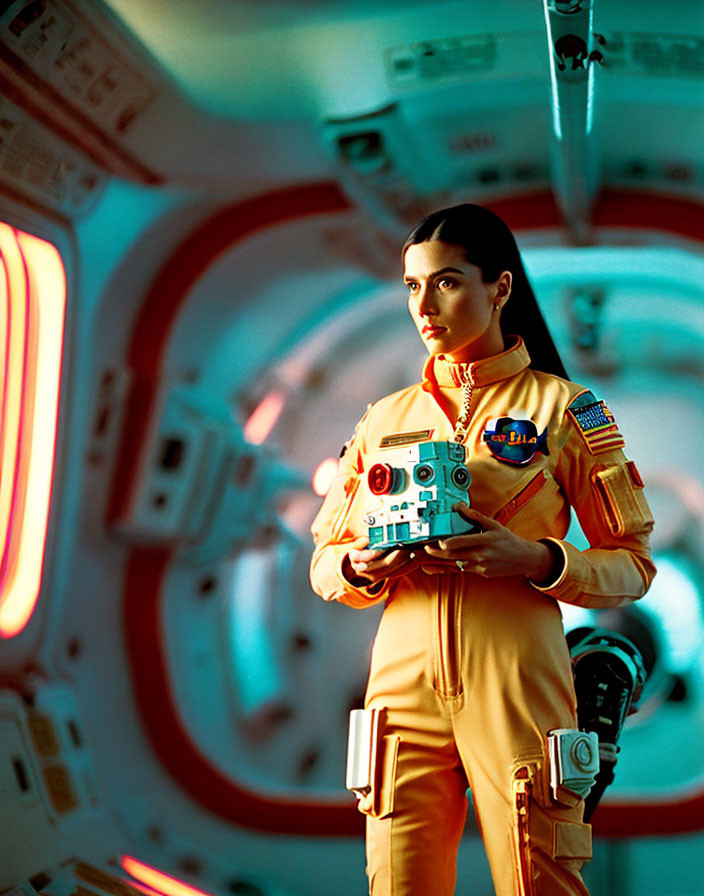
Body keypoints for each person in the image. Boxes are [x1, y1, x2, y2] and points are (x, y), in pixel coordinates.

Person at [309, 204, 655, 896]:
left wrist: (537, 561)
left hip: (517, 672)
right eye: (412, 287)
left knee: (540, 877)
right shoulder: (385, 420)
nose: (424, 305)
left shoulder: (564, 410)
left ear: (498, 288)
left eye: (446, 283)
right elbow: (325, 558)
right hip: (402, 684)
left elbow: (634, 565)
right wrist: (360, 566)